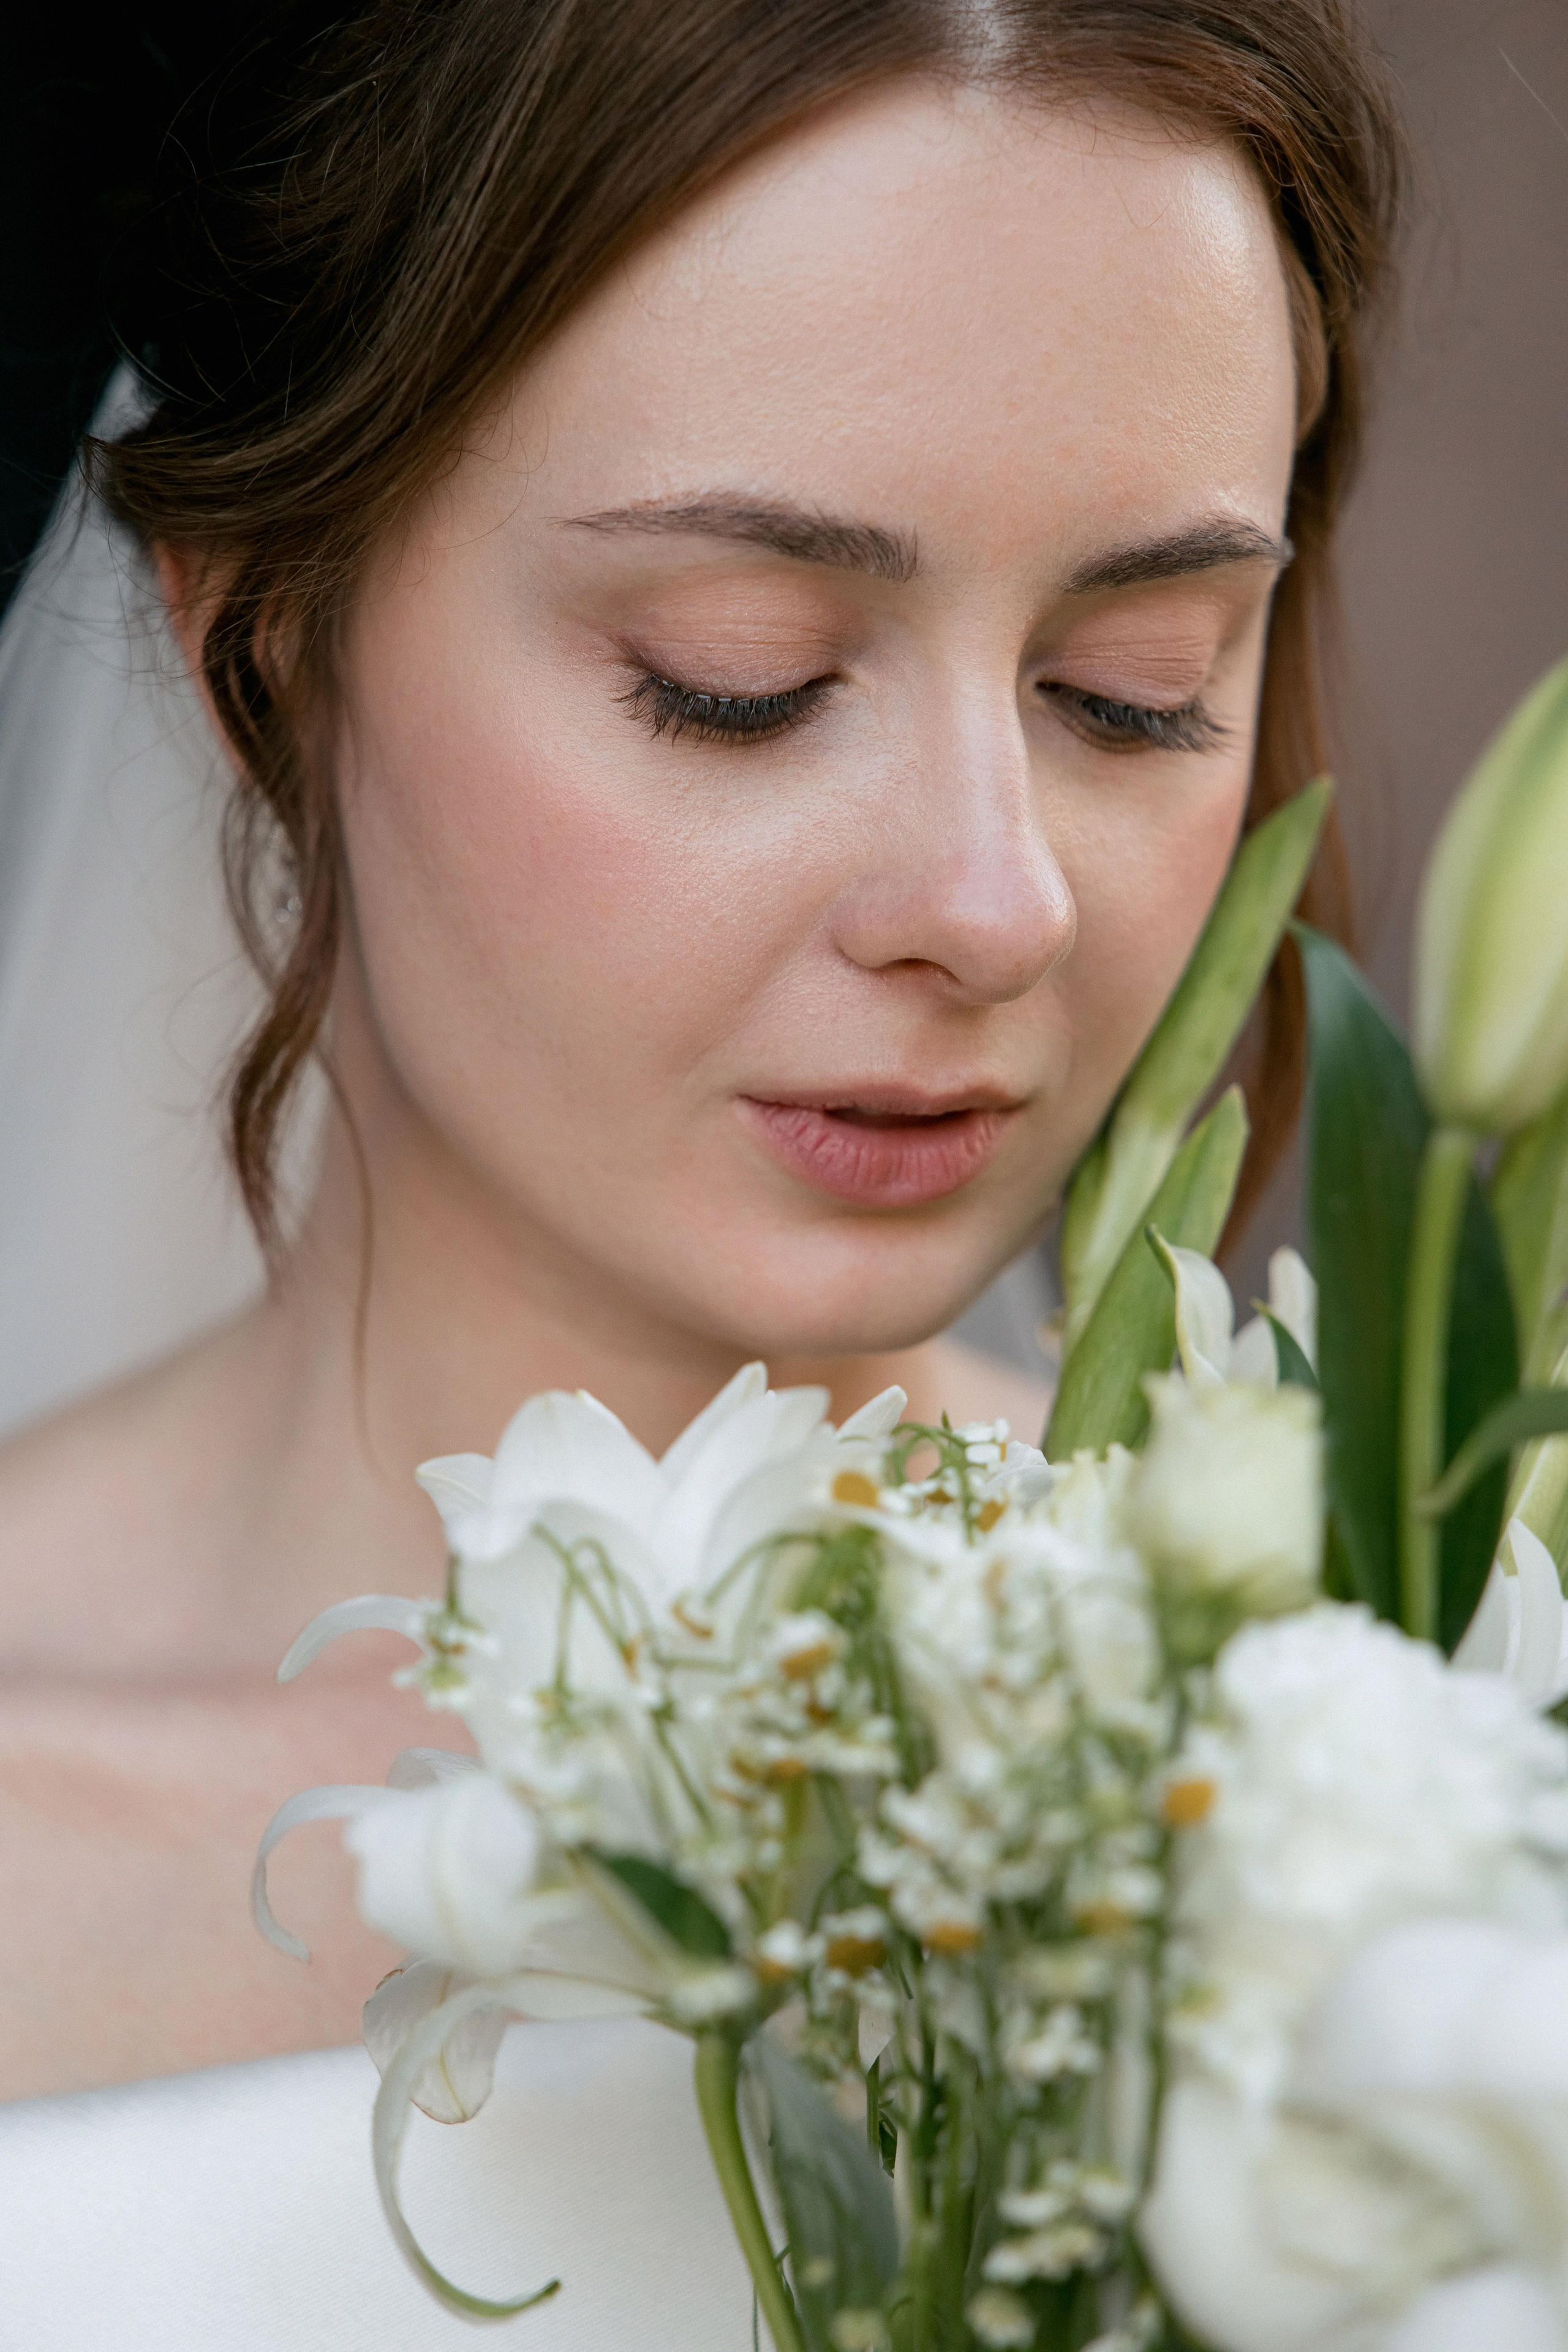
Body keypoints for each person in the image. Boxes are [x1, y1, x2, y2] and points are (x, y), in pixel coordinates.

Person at [0, 1, 1400, 2340]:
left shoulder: (1387, 1739)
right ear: (263, 649)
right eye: (733, 677)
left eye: (1137, 686)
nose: (995, 898)